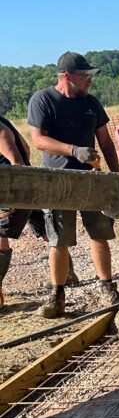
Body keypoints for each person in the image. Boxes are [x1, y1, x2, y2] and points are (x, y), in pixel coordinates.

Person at [28, 51, 119, 318]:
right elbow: (38, 140)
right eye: (85, 76)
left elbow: (105, 141)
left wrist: (115, 177)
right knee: (58, 240)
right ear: (67, 77)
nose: (89, 81)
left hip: (92, 181)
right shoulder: (43, 100)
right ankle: (57, 297)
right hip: (58, 182)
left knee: (100, 234)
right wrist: (73, 150)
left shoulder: (91, 103)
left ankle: (108, 288)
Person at [0, 114, 51, 311]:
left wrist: (16, 195)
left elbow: (16, 161)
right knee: (45, 230)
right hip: (28, 186)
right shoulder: (4, 121)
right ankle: (66, 275)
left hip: (12, 190)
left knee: (0, 236)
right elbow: (26, 148)